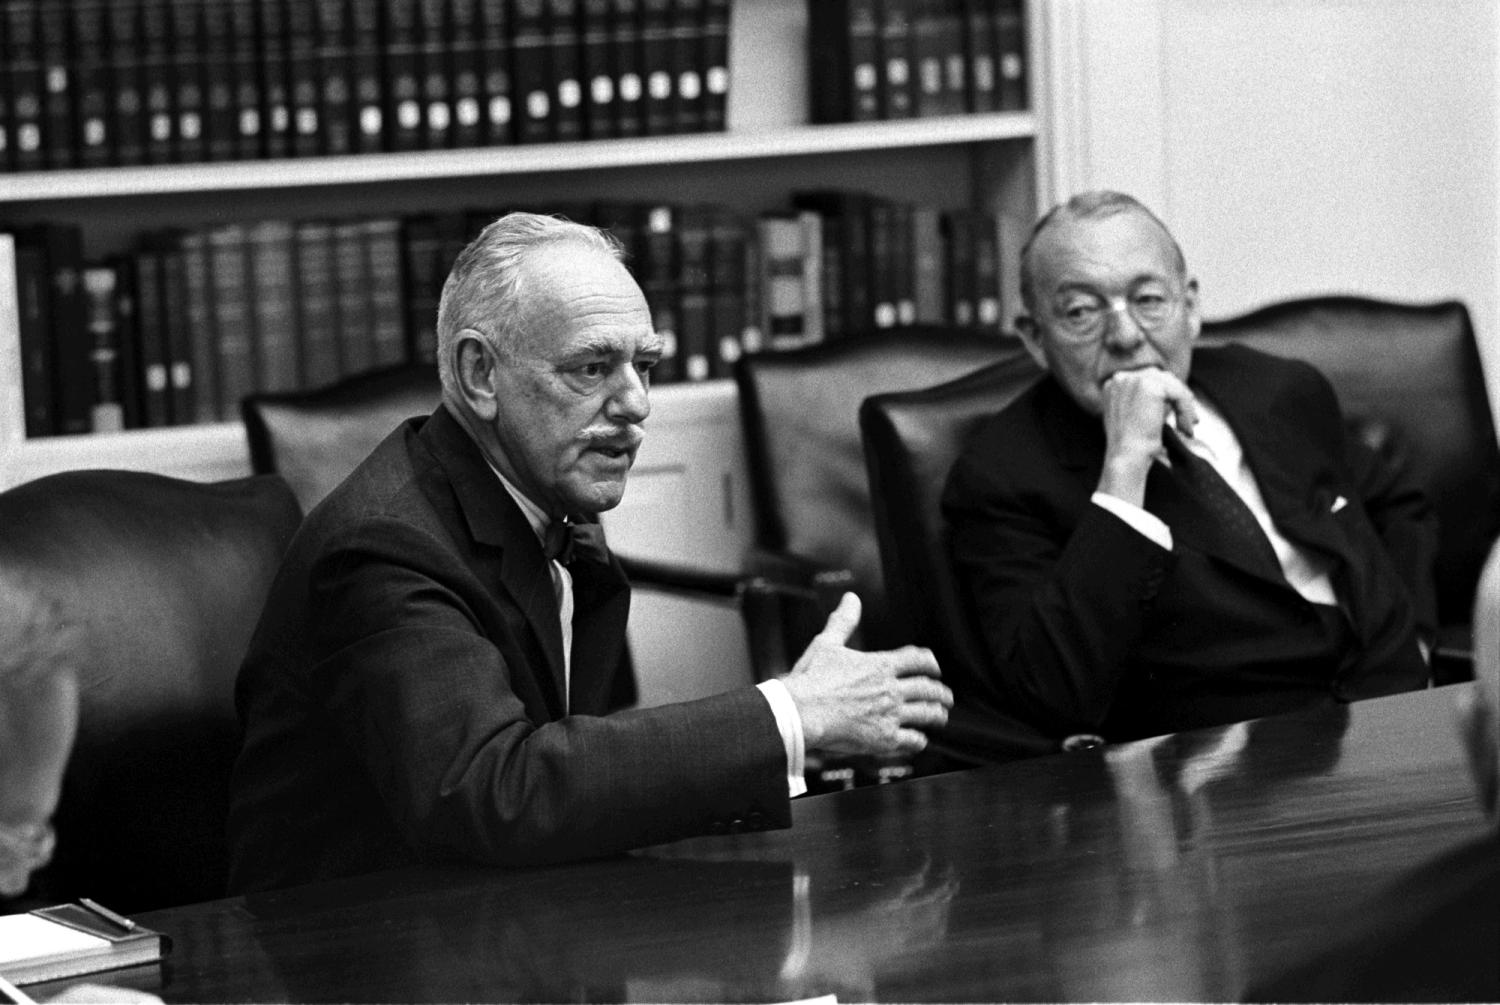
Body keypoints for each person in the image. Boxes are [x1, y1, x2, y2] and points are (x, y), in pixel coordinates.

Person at [226, 212, 952, 894]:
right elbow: (496, 790)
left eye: (645, 364)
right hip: (347, 953)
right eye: (592, 368)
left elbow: (575, 763)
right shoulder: (385, 545)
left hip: (506, 910)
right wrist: (787, 716)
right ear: (481, 375)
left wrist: (791, 739)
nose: (636, 403)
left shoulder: (538, 488)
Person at [943, 190, 1437, 741]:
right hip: (1239, 773)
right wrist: (1124, 468)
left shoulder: (1277, 389)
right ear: (1036, 340)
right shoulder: (1003, 476)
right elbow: (1054, 692)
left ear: (1192, 307)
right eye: (1081, 311)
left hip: (1401, 718)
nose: (1127, 335)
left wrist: (1415, 635)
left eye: (1149, 300)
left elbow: (1396, 504)